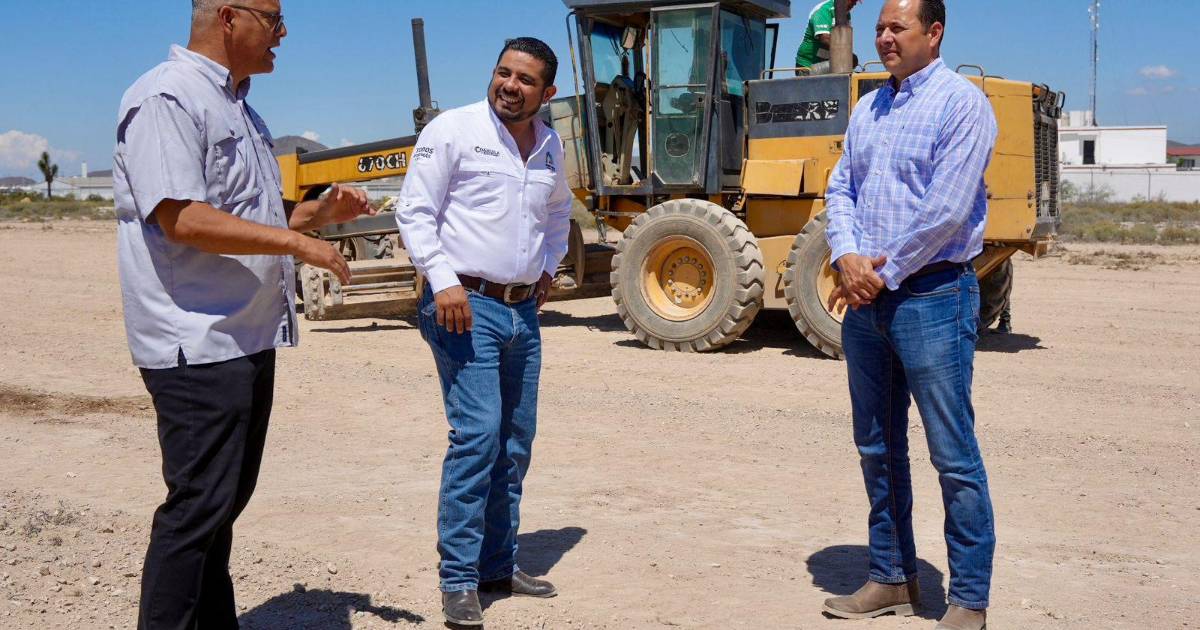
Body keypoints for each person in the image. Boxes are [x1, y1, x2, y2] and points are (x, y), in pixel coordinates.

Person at [114, 1, 373, 627]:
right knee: (197, 508)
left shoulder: (238, 106)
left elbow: (253, 216)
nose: (283, 32)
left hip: (244, 338)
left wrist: (316, 216)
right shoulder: (168, 98)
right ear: (230, 18)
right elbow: (182, 218)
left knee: (221, 507)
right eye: (273, 18)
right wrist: (296, 245)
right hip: (196, 339)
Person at [821, 1, 997, 629]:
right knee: (877, 447)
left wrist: (878, 274)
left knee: (953, 454)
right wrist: (845, 255)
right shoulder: (869, 106)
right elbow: (840, 188)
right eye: (879, 28)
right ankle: (891, 577)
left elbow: (946, 211)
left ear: (934, 32)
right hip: (868, 303)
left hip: (932, 297)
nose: (885, 38)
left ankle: (968, 600)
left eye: (898, 27)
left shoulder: (962, 104)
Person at [395, 37, 573, 627]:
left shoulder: (550, 146)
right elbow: (413, 211)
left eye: (525, 80)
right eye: (503, 73)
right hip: (462, 305)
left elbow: (558, 212)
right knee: (477, 437)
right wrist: (442, 280)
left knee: (515, 442)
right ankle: (459, 580)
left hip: (522, 312)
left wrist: (548, 268)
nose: (509, 86)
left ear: (547, 92)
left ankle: (498, 564)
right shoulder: (454, 130)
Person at [795, 0, 861, 75]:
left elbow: (844, 40)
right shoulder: (824, 10)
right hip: (808, 65)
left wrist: (848, 57)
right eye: (853, 0)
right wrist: (847, 54)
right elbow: (824, 38)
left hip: (827, 63)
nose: (855, 4)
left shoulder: (846, 14)